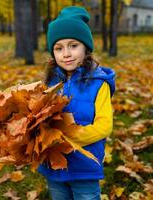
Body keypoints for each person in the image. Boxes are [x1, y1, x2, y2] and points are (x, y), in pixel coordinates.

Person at [38, 6, 116, 200]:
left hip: (84, 165)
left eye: (73, 45)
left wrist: (71, 137)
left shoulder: (99, 84)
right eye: (59, 48)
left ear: (86, 48)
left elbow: (104, 125)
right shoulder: (49, 83)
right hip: (54, 163)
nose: (66, 53)